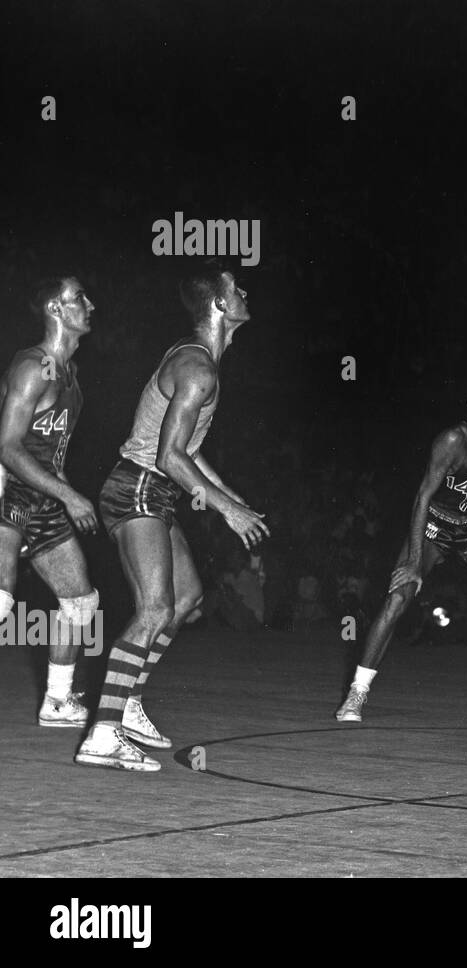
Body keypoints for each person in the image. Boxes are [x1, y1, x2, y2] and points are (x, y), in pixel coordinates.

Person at [77, 268, 269, 772]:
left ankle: (130, 702)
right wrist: (226, 510)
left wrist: (230, 494)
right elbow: (168, 455)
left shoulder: (203, 364)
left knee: (187, 598)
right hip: (138, 486)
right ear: (221, 308)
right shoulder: (197, 366)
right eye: (237, 290)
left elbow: (189, 451)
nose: (245, 293)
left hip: (154, 490)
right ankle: (102, 733)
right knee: (155, 609)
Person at [334, 379, 467, 725]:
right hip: (436, 527)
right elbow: (422, 498)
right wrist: (413, 561)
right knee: (398, 597)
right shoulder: (453, 440)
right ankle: (357, 692)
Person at [0, 277, 100, 727]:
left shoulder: (69, 374)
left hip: (38, 490)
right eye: (79, 297)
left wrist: (63, 492)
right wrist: (69, 494)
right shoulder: (33, 366)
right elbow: (8, 447)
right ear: (55, 309)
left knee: (80, 604)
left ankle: (58, 701)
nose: (89, 304)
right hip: (5, 480)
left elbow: (46, 451)